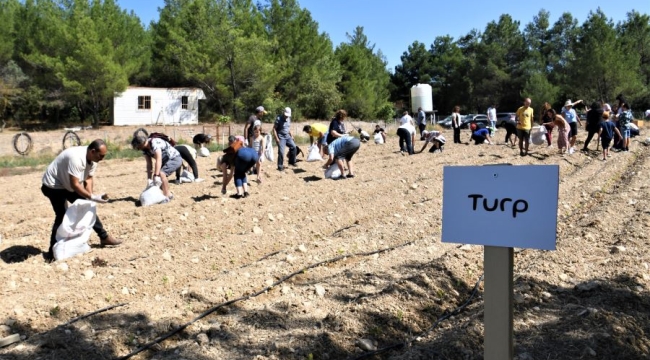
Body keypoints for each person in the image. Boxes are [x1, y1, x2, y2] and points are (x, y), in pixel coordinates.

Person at [41, 139, 122, 261]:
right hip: (53, 185)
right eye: (101, 155)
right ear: (93, 151)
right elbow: (75, 185)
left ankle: (104, 237)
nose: (102, 158)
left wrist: (90, 198)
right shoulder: (76, 158)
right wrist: (92, 197)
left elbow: (88, 179)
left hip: (67, 184)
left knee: (87, 206)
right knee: (61, 215)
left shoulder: (94, 159)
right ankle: (52, 252)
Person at [131, 134, 182, 201]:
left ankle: (168, 196)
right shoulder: (144, 149)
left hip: (175, 158)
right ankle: (167, 194)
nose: (138, 149)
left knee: (161, 174)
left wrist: (156, 175)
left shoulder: (155, 142)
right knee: (156, 180)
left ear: (142, 143)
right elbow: (149, 164)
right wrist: (149, 179)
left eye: (138, 147)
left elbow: (158, 159)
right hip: (165, 161)